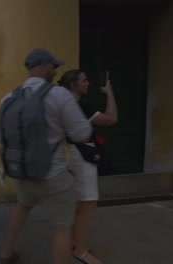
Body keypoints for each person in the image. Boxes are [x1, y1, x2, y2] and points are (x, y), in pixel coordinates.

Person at [0, 49, 94, 264]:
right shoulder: (58, 94)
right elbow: (82, 134)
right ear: (43, 66)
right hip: (53, 175)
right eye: (54, 66)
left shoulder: (9, 97)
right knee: (62, 227)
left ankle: (6, 252)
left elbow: (0, 136)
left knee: (22, 206)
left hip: (23, 172)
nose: (56, 70)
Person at [58, 69, 118, 264]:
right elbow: (111, 118)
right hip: (83, 157)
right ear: (74, 85)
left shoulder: (65, 105)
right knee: (89, 205)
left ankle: (76, 242)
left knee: (79, 203)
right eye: (84, 80)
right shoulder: (79, 107)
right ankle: (81, 251)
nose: (88, 83)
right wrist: (109, 92)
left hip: (73, 154)